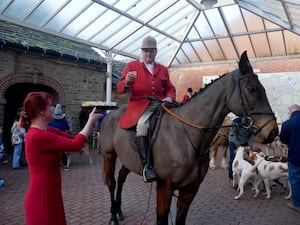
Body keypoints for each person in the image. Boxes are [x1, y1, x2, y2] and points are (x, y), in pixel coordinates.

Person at [22, 92, 103, 225]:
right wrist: (90, 121)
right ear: (41, 111)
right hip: (43, 197)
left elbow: (75, 139)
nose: (53, 108)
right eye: (50, 105)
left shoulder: (47, 130)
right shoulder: (37, 136)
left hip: (50, 194)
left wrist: (90, 121)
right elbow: (76, 145)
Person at [116, 35, 176, 182]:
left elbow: (170, 88)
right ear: (141, 52)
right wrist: (127, 83)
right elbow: (120, 88)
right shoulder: (132, 66)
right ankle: (147, 167)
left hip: (161, 104)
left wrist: (169, 97)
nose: (148, 54)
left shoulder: (162, 69)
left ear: (156, 52)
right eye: (145, 51)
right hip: (140, 105)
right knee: (143, 126)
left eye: (151, 51)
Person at [279, 104, 300, 213]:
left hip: (295, 156)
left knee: (295, 180)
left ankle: (297, 204)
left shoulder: (287, 124)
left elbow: (283, 139)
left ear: (291, 112)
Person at [228, 117, 255, 181]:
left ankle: (244, 176)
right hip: (234, 142)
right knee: (234, 158)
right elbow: (233, 134)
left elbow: (251, 135)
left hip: (245, 141)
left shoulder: (250, 121)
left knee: (246, 159)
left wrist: (250, 146)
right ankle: (231, 177)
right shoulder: (236, 121)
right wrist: (239, 146)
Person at [48, 104, 71, 170]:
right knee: (63, 151)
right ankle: (65, 164)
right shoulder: (64, 120)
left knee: (54, 151)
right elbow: (67, 128)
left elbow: (48, 128)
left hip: (53, 138)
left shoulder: (51, 120)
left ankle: (55, 163)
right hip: (62, 137)